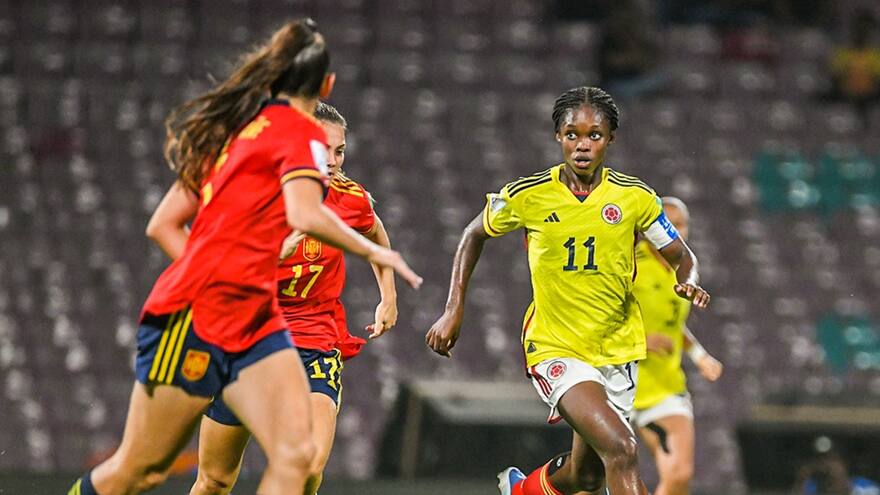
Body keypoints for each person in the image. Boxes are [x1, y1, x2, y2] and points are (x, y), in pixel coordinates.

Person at [68, 19, 421, 495]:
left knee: (299, 461)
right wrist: (221, 276)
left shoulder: (235, 136)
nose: (331, 158)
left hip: (265, 327)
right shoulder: (283, 138)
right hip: (196, 321)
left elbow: (163, 224)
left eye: (339, 151)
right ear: (323, 86)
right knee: (143, 469)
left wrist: (381, 278)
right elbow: (301, 215)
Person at [425, 86, 709, 495]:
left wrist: (689, 280)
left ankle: (522, 490)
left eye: (594, 135)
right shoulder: (529, 195)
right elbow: (473, 234)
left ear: (611, 139)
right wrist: (454, 309)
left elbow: (682, 254)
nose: (582, 144)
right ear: (558, 136)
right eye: (572, 133)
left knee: (588, 476)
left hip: (617, 351)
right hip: (556, 346)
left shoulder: (635, 198)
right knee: (623, 449)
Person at [186, 102, 398, 495]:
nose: (333, 161)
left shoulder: (348, 198)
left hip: (314, 343)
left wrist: (388, 296)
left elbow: (375, 232)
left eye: (340, 150)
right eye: (323, 148)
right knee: (214, 480)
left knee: (308, 466)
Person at [629, 196, 723, 495]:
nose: (677, 231)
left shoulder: (686, 271)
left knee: (680, 475)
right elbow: (596, 317)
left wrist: (699, 355)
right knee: (588, 478)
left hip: (663, 386)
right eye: (670, 224)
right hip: (615, 383)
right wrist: (640, 341)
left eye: (682, 224)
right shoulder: (630, 263)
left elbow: (672, 324)